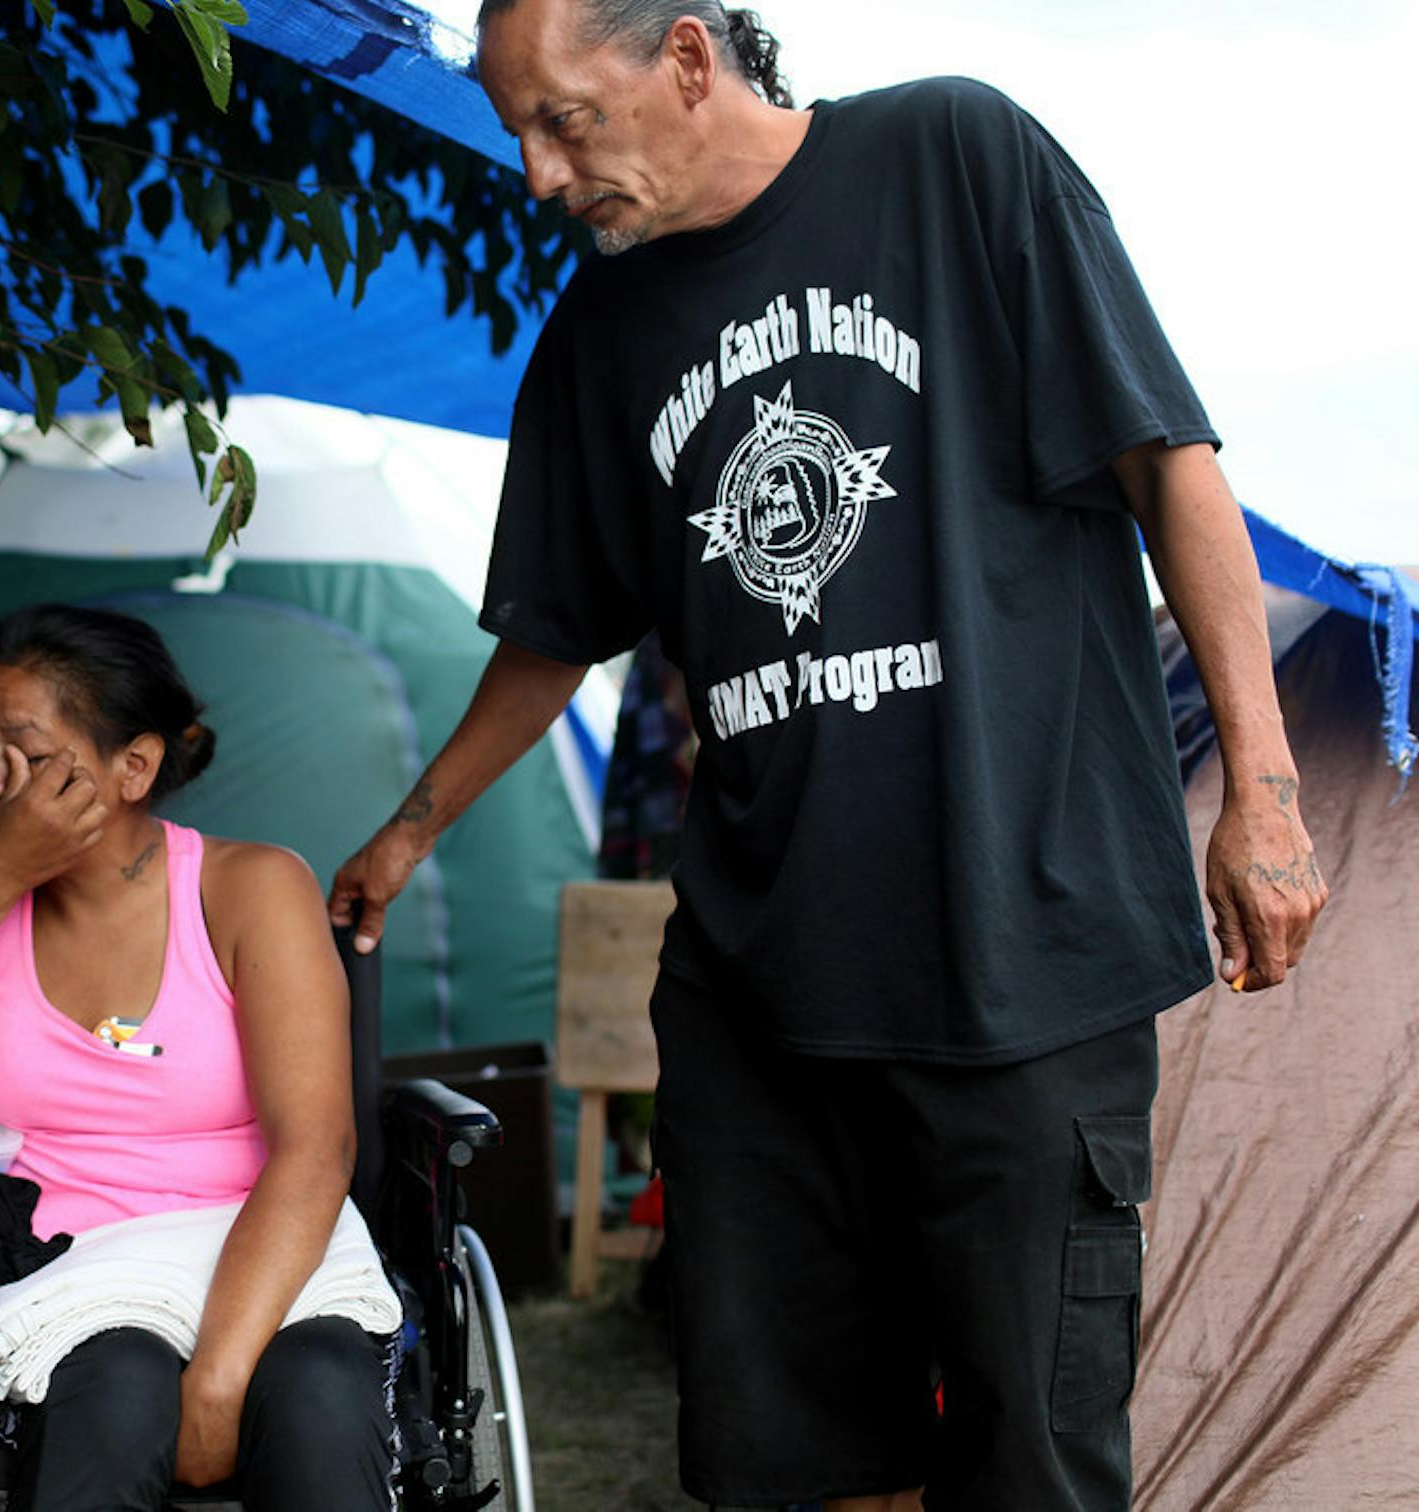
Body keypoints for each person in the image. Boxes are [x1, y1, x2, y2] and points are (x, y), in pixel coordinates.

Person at [328, 6, 1328, 1509]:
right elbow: (555, 632)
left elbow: (1170, 468)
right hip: (765, 995)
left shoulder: (954, 158)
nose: (536, 174)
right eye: (517, 131)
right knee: (797, 1459)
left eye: (563, 121)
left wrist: (1264, 789)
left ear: (683, 55)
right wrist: (410, 829)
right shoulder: (604, 330)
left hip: (1023, 960)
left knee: (1032, 1464)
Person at [0, 603, 393, 1511]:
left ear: (135, 767)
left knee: (318, 1405)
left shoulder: (251, 889)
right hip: (57, 1271)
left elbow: (316, 1148)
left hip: (269, 1252)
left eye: (25, 754)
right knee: (113, 1399)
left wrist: (223, 1377)